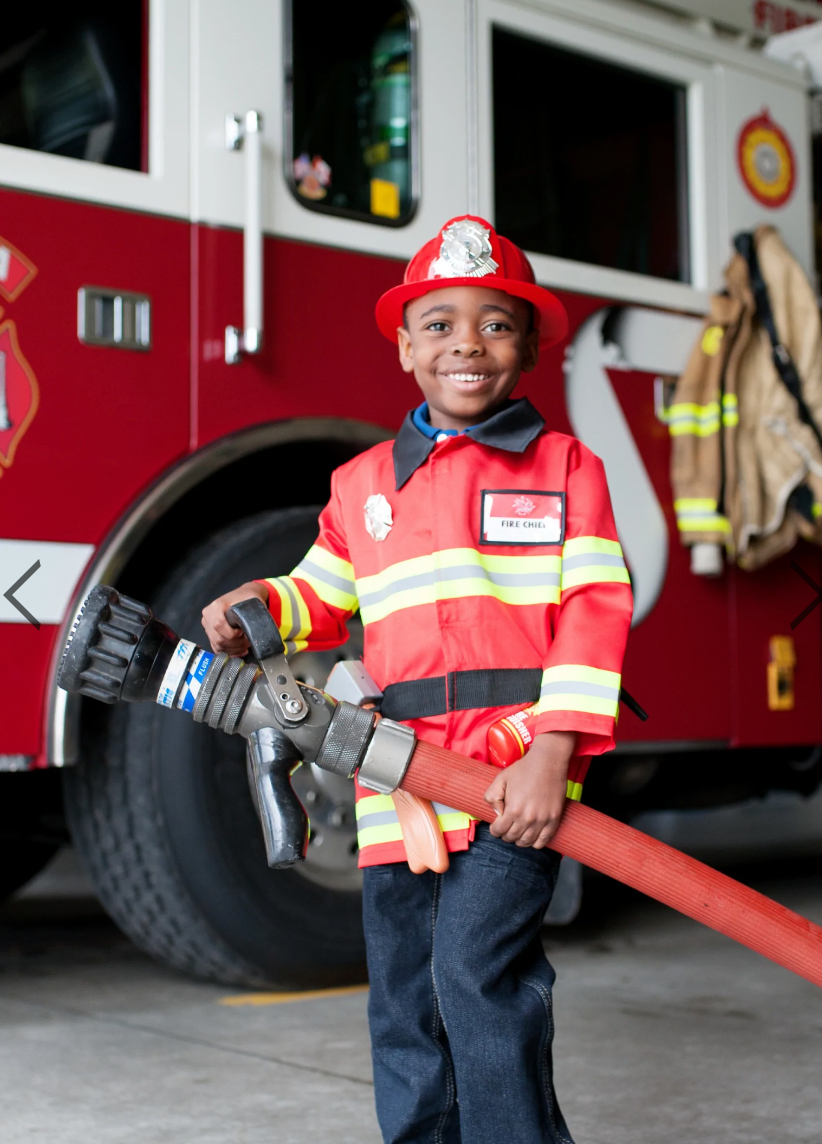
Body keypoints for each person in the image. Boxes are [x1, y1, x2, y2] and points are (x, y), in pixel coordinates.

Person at [202, 216, 633, 1144]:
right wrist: (261, 609)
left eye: (494, 323)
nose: (465, 344)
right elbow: (320, 595)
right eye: (438, 324)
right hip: (391, 786)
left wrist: (552, 752)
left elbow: (597, 610)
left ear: (528, 348)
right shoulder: (361, 486)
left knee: (476, 977)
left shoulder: (568, 470)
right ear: (404, 347)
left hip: (511, 780)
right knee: (403, 1002)